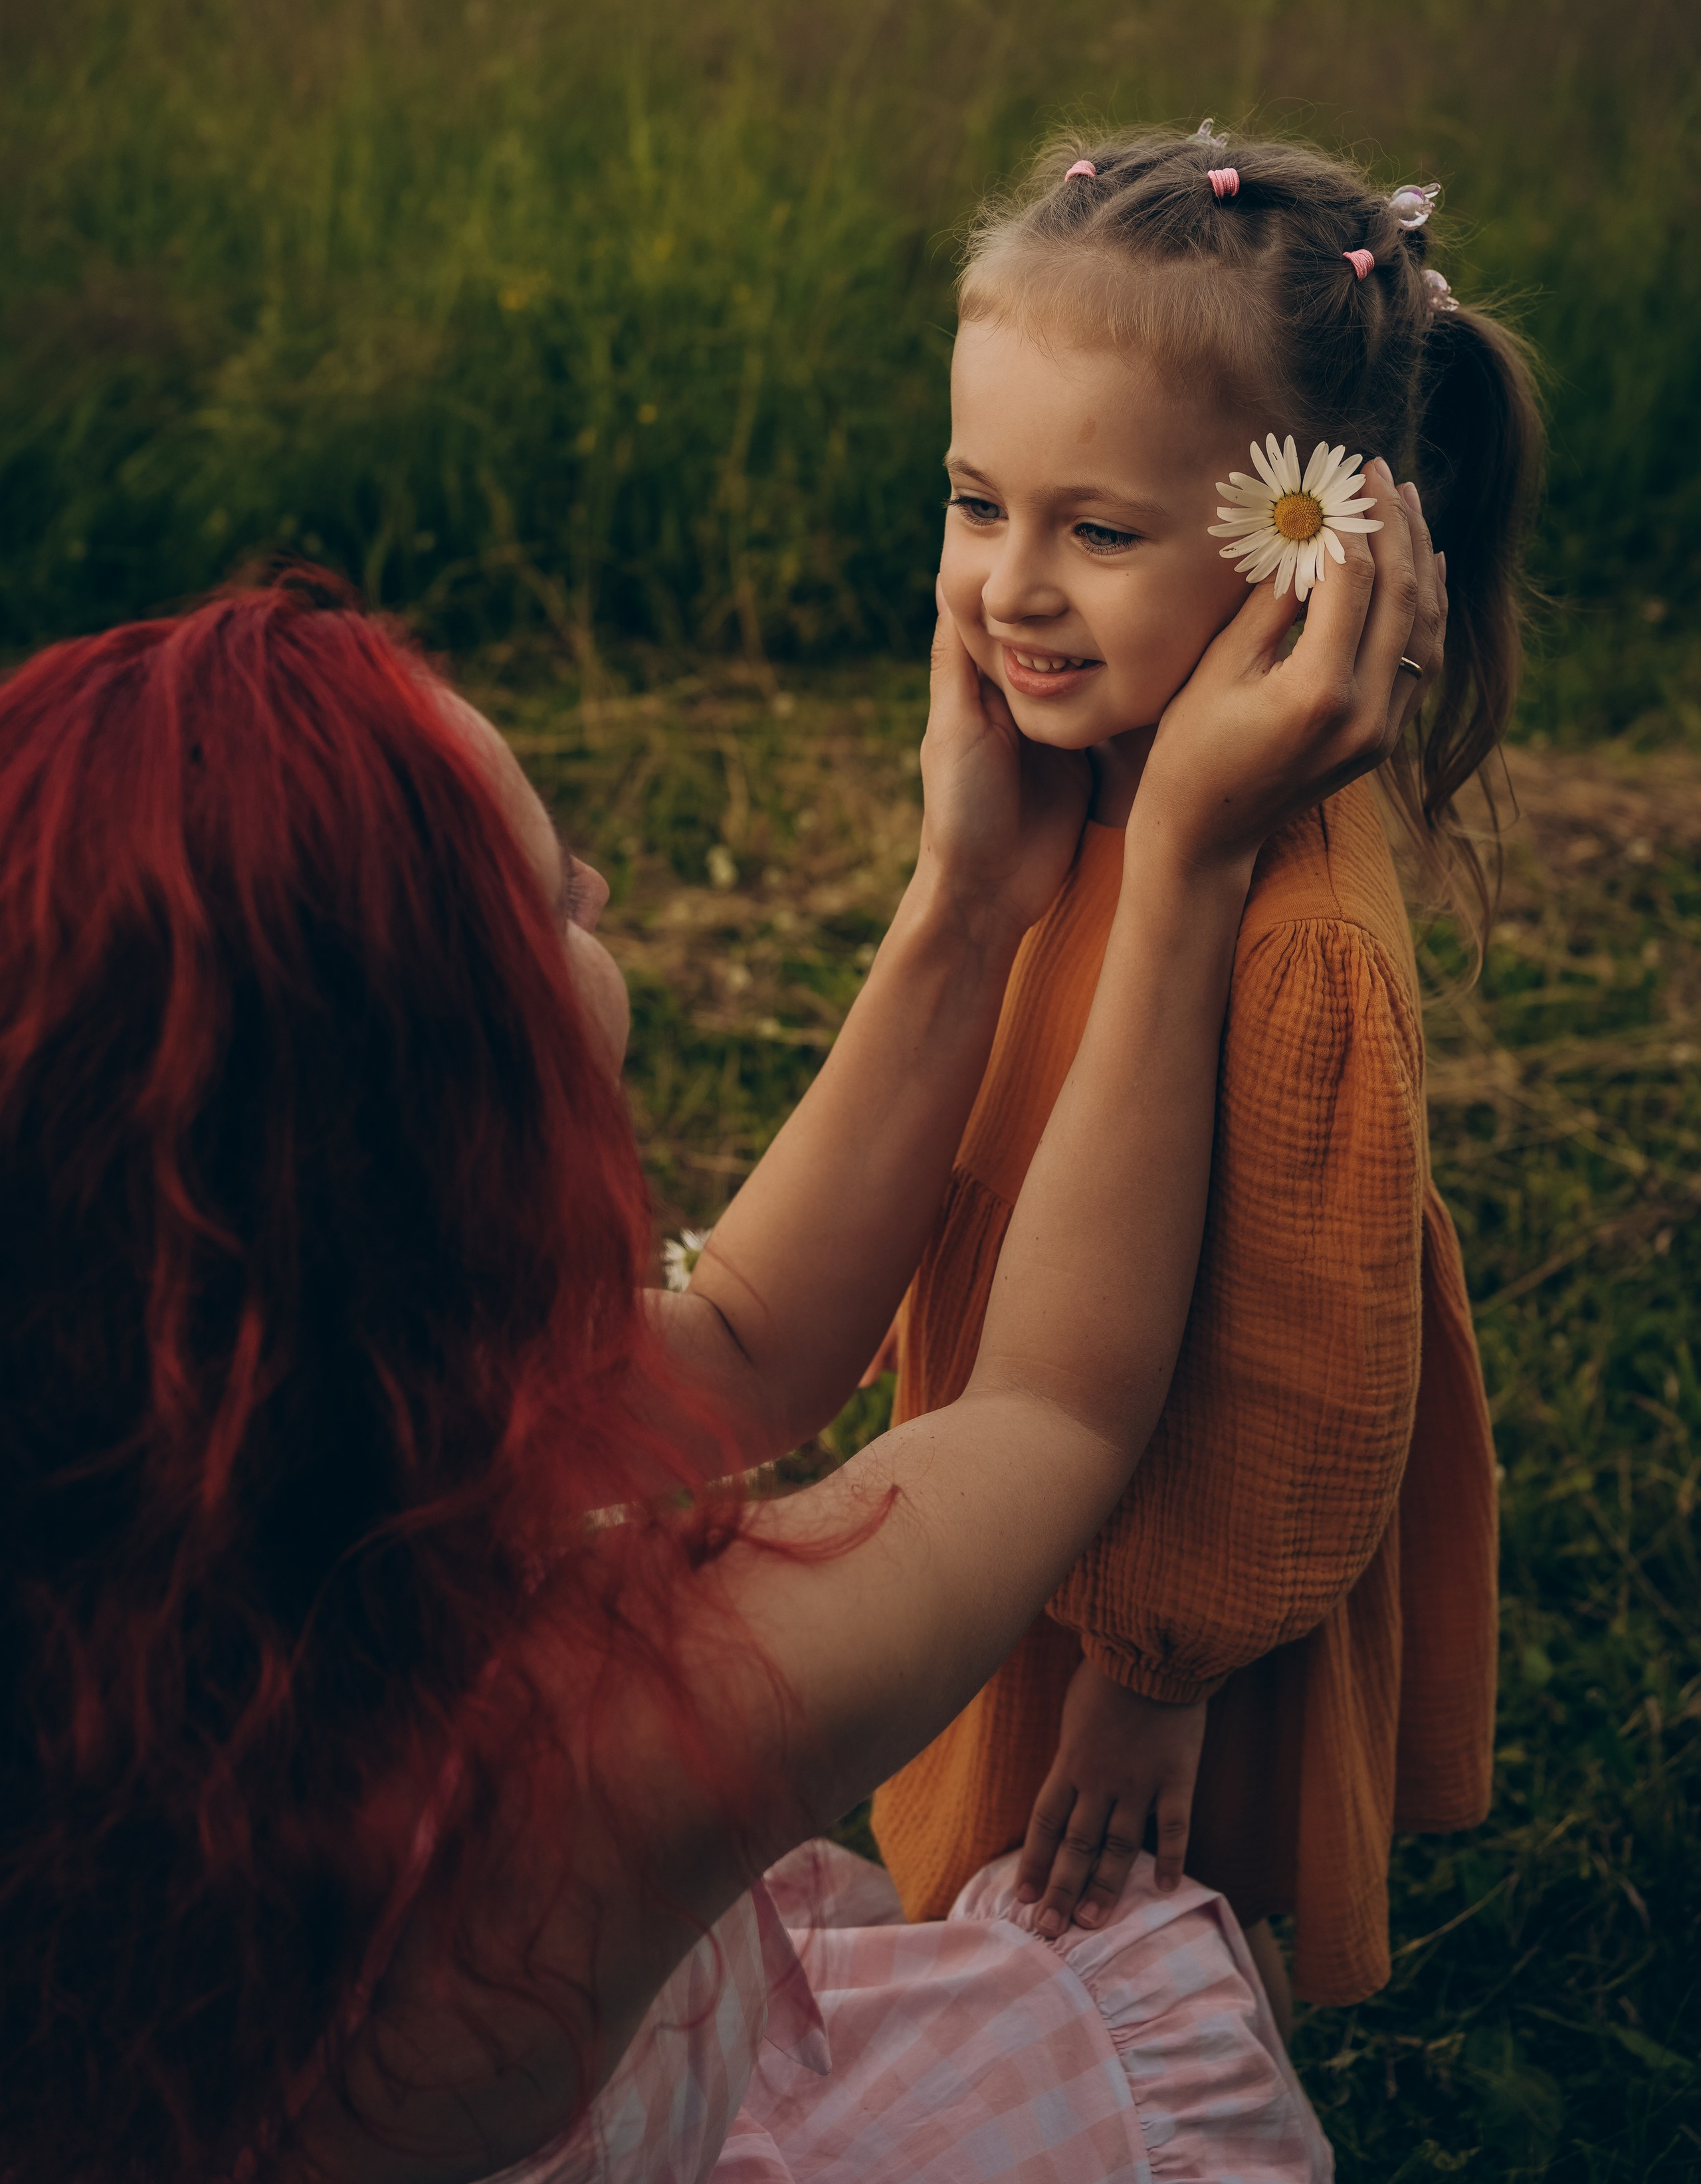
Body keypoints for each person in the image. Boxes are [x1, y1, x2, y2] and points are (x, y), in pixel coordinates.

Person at [0, 488, 1439, 2184]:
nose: (601, 884)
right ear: (437, 1115)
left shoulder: (171, 1437)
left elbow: (744, 1344)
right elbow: (1047, 1416)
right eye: (557, 907)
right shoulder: (581, 1761)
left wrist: (969, 898)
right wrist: (1183, 867)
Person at [872, 126, 1540, 2022]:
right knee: (990, 1922)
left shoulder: (1298, 941)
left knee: (1124, 1948)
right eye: (975, 502)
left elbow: (1310, 1363)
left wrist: (1160, 1677)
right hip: (1027, 1487)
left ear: (1302, 545)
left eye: (1098, 531)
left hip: (1180, 1578)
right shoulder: (1065, 793)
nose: (1009, 587)